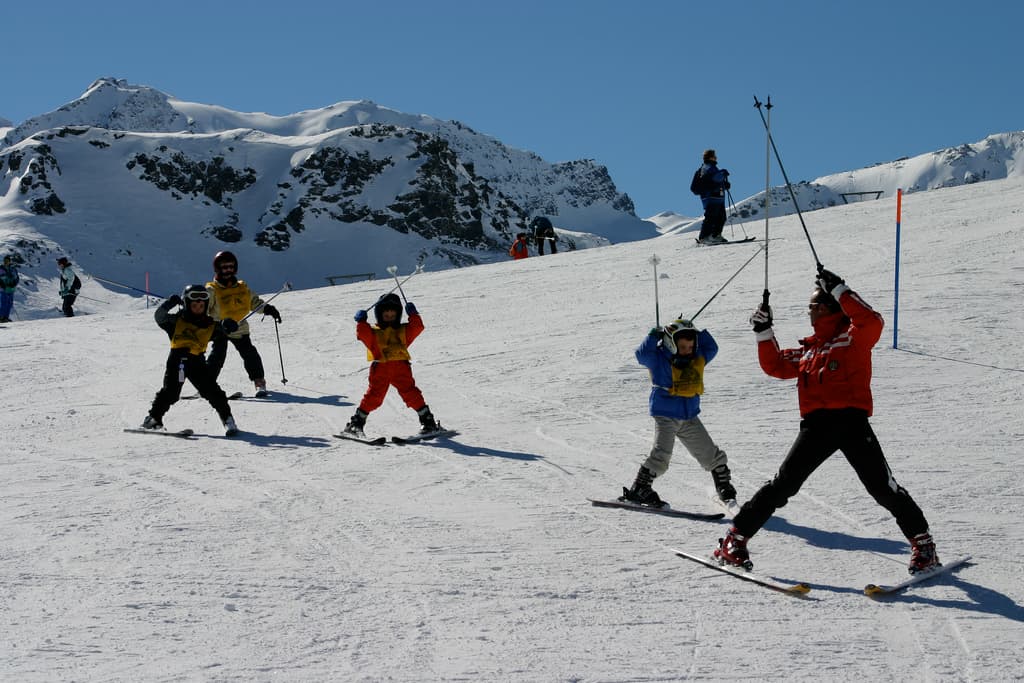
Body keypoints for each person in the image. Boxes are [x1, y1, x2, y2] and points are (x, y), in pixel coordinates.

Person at [714, 269, 939, 575]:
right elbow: (777, 366)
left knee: (882, 488)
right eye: (810, 307)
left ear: (830, 309)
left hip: (851, 423)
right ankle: (735, 539)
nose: (809, 311)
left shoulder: (853, 338)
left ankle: (923, 546)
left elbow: (872, 321)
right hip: (815, 427)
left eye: (814, 306)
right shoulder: (810, 350)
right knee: (782, 487)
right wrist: (764, 333)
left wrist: (840, 290)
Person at [620, 319, 737, 509]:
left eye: (691, 346)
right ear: (670, 343)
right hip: (665, 414)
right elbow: (641, 355)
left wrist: (697, 332)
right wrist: (653, 336)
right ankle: (639, 488)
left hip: (689, 415)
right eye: (682, 346)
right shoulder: (658, 358)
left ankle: (723, 486)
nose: (687, 350)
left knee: (709, 452)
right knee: (662, 454)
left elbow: (712, 347)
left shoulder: (697, 356)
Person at [141, 285, 239, 436]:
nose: (198, 308)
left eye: (201, 305)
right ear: (187, 304)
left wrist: (229, 325)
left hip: (197, 363)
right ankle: (153, 418)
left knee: (213, 392)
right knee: (171, 393)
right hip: (177, 362)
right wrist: (169, 303)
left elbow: (222, 334)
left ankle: (228, 420)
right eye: (194, 305)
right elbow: (159, 317)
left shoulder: (210, 325)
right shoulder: (176, 321)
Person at [343, 293, 441, 436]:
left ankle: (428, 422)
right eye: (386, 315)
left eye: (392, 315)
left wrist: (413, 314)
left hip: (401, 367)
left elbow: (417, 327)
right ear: (379, 315)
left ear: (398, 315)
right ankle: (355, 424)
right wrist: (361, 322)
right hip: (381, 368)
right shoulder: (374, 333)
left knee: (411, 393)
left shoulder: (403, 331)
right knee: (374, 397)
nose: (389, 317)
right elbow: (363, 335)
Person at [205, 251, 281, 397]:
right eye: (224, 267)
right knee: (217, 356)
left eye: (231, 267)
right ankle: (207, 385)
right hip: (219, 329)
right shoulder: (212, 290)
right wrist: (220, 323)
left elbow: (253, 302)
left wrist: (268, 309)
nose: (228, 270)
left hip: (239, 328)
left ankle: (259, 382)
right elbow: (203, 312)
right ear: (217, 268)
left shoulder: (241, 287)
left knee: (250, 354)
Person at [690, 149, 731, 245]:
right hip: (711, 197)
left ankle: (715, 236)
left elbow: (715, 182)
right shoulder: (706, 167)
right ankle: (704, 237)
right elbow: (711, 181)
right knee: (711, 217)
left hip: (718, 197)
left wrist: (725, 185)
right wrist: (722, 175)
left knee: (721, 217)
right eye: (714, 156)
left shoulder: (712, 168)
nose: (716, 157)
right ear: (710, 157)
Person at [0, 255, 19, 322]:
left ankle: (6, 317)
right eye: (5, 261)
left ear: (9, 261)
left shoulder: (13, 269)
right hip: (3, 289)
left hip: (11, 289)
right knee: (4, 303)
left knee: (9, 303)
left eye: (7, 261)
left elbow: (17, 278)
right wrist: (2, 285)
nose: (6, 262)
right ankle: (1, 317)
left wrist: (14, 284)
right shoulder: (1, 269)